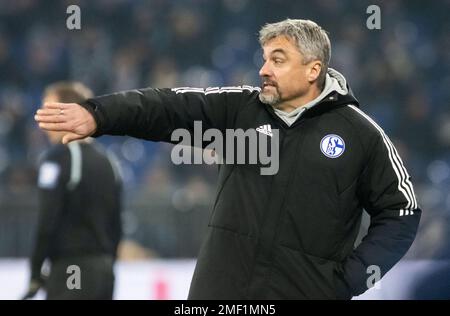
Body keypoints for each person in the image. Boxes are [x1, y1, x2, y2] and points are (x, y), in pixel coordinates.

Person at [35, 19, 421, 299]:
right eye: (265, 58)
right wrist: (98, 115)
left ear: (313, 70)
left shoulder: (361, 134)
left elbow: (402, 210)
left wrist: (349, 279)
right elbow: (167, 107)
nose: (264, 69)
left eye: (278, 60)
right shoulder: (240, 108)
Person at [25, 82, 123, 300]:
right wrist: (108, 265)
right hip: (105, 272)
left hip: (72, 269)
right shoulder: (110, 162)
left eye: (47, 109)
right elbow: (117, 223)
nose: (41, 119)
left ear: (66, 112)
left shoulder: (56, 159)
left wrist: (35, 270)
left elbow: (47, 218)